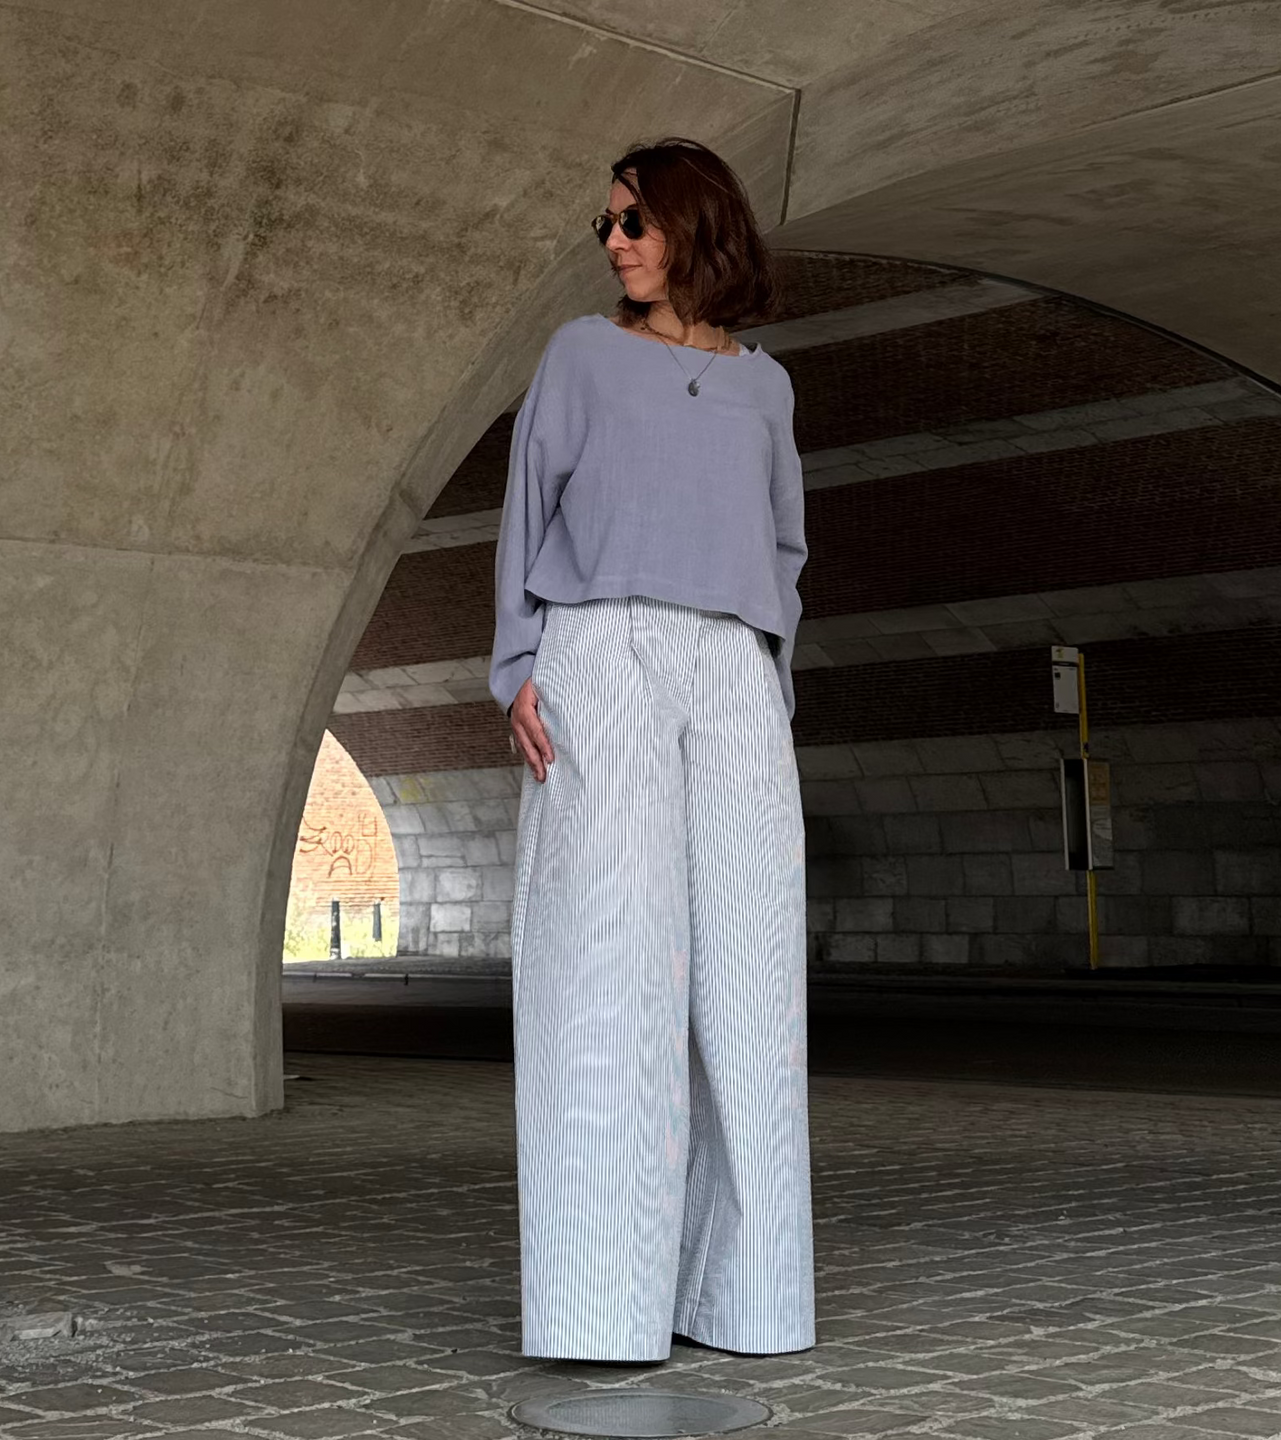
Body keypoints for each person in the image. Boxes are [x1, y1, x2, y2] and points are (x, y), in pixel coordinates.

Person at [488, 136, 814, 1365]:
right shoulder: (581, 358)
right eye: (609, 225)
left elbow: (785, 547)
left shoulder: (766, 388)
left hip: (732, 669)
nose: (616, 241)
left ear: (696, 227)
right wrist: (519, 666)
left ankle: (747, 1299)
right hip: (602, 651)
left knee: (751, 984)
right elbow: (527, 513)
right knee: (607, 979)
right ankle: (597, 1308)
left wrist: (764, 674)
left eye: (636, 220)